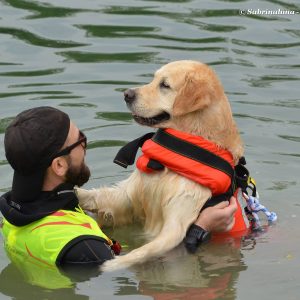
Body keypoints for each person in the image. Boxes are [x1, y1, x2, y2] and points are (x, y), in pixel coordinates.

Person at [0, 106, 238, 269]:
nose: (85, 146)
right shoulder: (85, 249)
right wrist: (200, 229)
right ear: (60, 165)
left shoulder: (13, 213)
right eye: (80, 140)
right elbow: (157, 270)